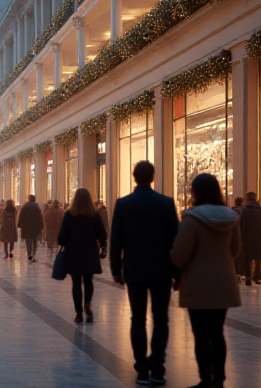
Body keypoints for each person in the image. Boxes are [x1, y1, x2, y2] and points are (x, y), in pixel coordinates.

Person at [110, 161, 179, 386]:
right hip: (161, 270)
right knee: (161, 319)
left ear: (134, 177)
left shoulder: (123, 204)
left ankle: (141, 370)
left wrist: (115, 269)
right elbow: (174, 241)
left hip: (135, 269)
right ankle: (157, 369)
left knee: (137, 319)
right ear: (153, 177)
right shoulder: (166, 203)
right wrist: (177, 273)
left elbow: (116, 240)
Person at [170, 173, 241, 388]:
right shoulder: (230, 218)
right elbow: (236, 250)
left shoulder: (192, 219)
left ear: (195, 192)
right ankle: (219, 379)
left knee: (201, 334)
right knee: (217, 332)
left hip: (198, 283)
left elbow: (180, 254)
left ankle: (206, 379)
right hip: (224, 282)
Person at [57, 188, 107, 324]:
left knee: (76, 283)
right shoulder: (94, 215)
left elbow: (62, 237)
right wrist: (102, 246)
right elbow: (102, 235)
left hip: (73, 253)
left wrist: (64, 241)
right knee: (88, 281)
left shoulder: (69, 214)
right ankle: (87, 304)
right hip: (90, 252)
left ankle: (78, 313)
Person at [237, 192, 261, 286]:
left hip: (246, 238)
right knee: (258, 258)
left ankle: (248, 277)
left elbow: (239, 224)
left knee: (247, 259)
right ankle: (256, 276)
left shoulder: (244, 210)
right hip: (260, 238)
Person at [17, 195, 44, 262]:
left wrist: (20, 224)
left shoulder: (25, 207)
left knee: (28, 241)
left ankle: (29, 254)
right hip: (35, 227)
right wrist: (41, 225)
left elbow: (21, 216)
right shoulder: (37, 208)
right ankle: (33, 253)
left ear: (29, 200)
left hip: (26, 227)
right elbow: (40, 218)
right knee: (35, 240)